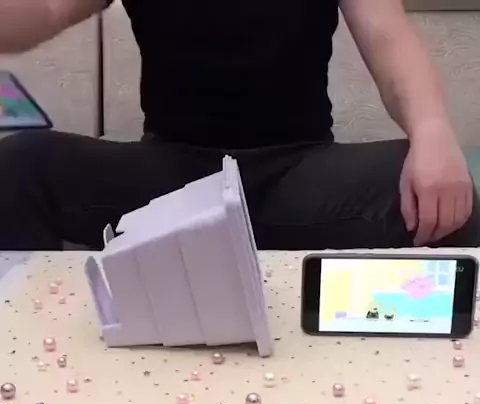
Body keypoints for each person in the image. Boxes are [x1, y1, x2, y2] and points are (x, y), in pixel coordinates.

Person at [0, 0, 479, 251]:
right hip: (174, 185)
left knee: (449, 199)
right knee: (20, 166)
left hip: (298, 176)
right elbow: (46, 9)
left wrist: (432, 131)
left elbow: (387, 34)